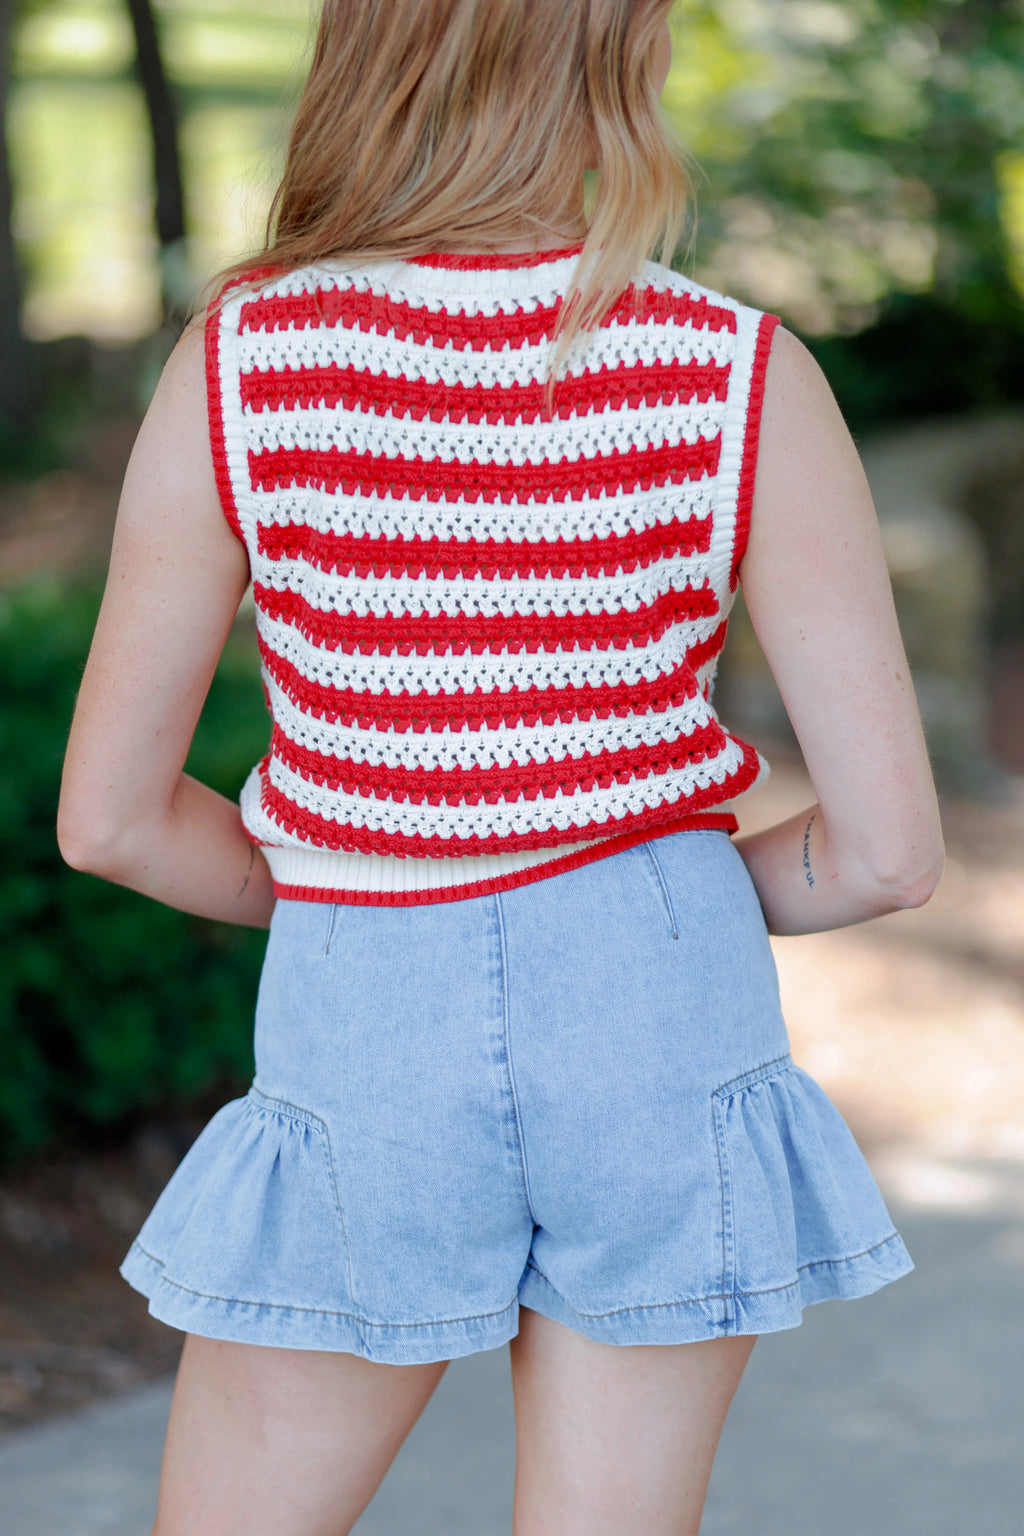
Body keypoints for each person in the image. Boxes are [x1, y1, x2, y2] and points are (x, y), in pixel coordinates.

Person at [57, 2, 945, 1533]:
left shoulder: (244, 364)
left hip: (364, 989)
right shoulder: (736, 373)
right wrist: (629, 896)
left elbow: (112, 821)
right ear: (621, 65)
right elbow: (882, 853)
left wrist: (378, 894)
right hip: (661, 999)